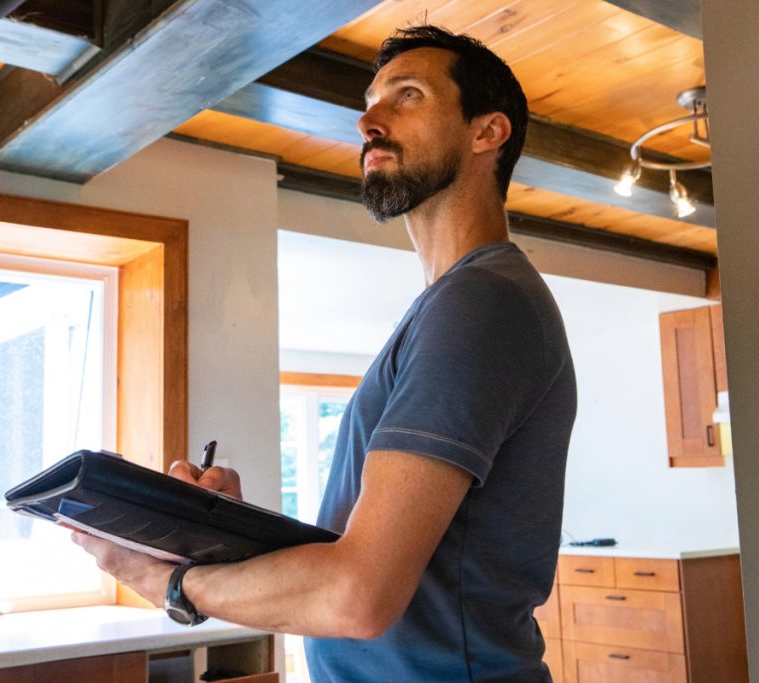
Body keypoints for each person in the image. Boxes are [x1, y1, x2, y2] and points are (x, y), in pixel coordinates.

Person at [73, 25, 576, 683]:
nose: (369, 119)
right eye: (370, 102)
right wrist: (230, 530)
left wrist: (176, 583)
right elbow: (364, 558)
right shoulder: (457, 304)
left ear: (488, 133)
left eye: (407, 96)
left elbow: (357, 595)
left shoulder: (480, 303)